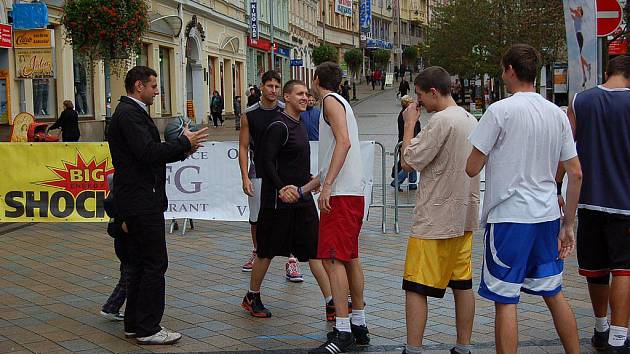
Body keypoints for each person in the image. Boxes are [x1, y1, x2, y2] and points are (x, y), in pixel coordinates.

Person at [465, 44, 582, 354]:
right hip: (546, 215)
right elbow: (576, 173)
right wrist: (568, 224)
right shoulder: (555, 115)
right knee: (554, 293)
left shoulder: (500, 111)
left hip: (509, 217)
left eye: (504, 70)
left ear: (511, 71)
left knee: (505, 300)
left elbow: (471, 167)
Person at [107, 66, 209, 345]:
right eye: (153, 86)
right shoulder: (129, 114)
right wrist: (182, 143)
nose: (157, 90)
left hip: (139, 197)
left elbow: (149, 156)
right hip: (141, 201)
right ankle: (149, 327)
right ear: (138, 86)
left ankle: (134, 323)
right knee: (154, 264)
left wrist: (183, 149)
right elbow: (147, 153)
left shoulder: (132, 113)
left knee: (139, 264)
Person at [400, 67, 479, 354]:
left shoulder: (441, 121)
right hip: (464, 215)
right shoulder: (470, 119)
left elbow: (410, 161)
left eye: (420, 96)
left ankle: (414, 348)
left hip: (435, 217)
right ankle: (463, 346)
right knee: (462, 283)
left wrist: (410, 124)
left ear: (434, 92)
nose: (418, 102)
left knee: (416, 285)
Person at [241, 79, 332, 320]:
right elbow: (264, 162)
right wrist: (282, 188)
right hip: (277, 201)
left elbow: (295, 161)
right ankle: (252, 297)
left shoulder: (300, 123)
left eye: (307, 94)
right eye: (299, 94)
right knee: (266, 252)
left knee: (315, 252)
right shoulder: (278, 126)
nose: (305, 97)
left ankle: (331, 303)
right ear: (287, 97)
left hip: (302, 199)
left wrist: (308, 180)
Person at [566, 55, 630, 352]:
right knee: (624, 269)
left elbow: (564, 151)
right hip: (626, 204)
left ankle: (601, 328)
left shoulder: (580, 101)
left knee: (596, 269)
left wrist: (554, 187)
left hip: (589, 202)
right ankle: (619, 337)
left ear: (606, 73)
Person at [307, 62, 369, 353]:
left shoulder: (330, 101)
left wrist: (328, 185)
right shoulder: (342, 102)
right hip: (352, 192)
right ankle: (358, 322)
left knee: (333, 260)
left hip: (341, 195)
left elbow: (342, 143)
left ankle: (342, 331)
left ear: (316, 79)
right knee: (350, 258)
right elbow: (336, 151)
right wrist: (305, 188)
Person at [238, 70, 305, 283]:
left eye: (277, 86)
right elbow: (243, 146)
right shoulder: (250, 113)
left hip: (286, 173)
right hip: (258, 171)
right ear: (262, 86)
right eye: (270, 86)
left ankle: (292, 260)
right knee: (257, 216)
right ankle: (258, 251)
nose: (273, 90)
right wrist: (244, 177)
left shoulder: (287, 111)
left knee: (290, 215)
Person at [100, 174, 128, 322]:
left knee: (126, 276)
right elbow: (113, 229)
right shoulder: (119, 204)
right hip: (126, 246)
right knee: (128, 278)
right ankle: (111, 307)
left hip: (123, 246)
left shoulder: (114, 202)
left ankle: (111, 307)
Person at [392, 95, 420, 191]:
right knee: (410, 163)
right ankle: (397, 182)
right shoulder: (406, 114)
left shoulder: (407, 113)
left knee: (412, 162)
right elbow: (411, 128)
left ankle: (412, 183)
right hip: (408, 141)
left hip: (408, 140)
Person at [570, 5, 592, 87]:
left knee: (578, 56)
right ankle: (586, 70)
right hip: (577, 36)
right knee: (578, 56)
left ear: (581, 12)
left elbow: (572, 10)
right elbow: (571, 14)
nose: (577, 9)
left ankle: (585, 71)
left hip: (579, 36)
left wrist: (569, 8)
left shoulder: (579, 17)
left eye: (579, 9)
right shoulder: (576, 18)